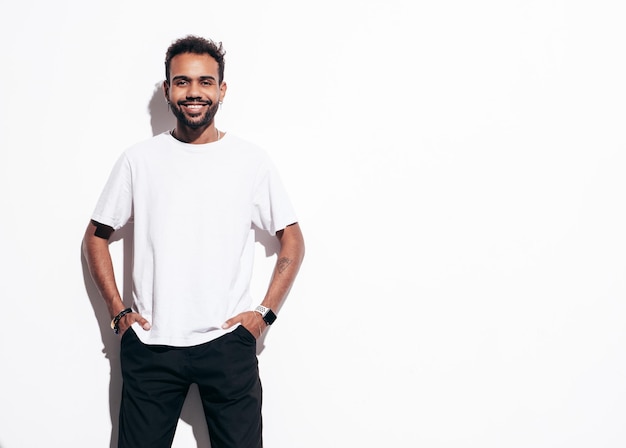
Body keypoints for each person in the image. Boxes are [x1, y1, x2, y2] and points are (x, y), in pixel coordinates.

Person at [82, 35, 305, 448]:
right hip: (151, 344)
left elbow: (292, 239)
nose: (194, 92)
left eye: (205, 82)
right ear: (168, 89)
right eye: (182, 82)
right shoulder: (139, 160)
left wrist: (264, 315)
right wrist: (118, 312)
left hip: (228, 343)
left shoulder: (250, 161)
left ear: (221, 89)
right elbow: (96, 238)